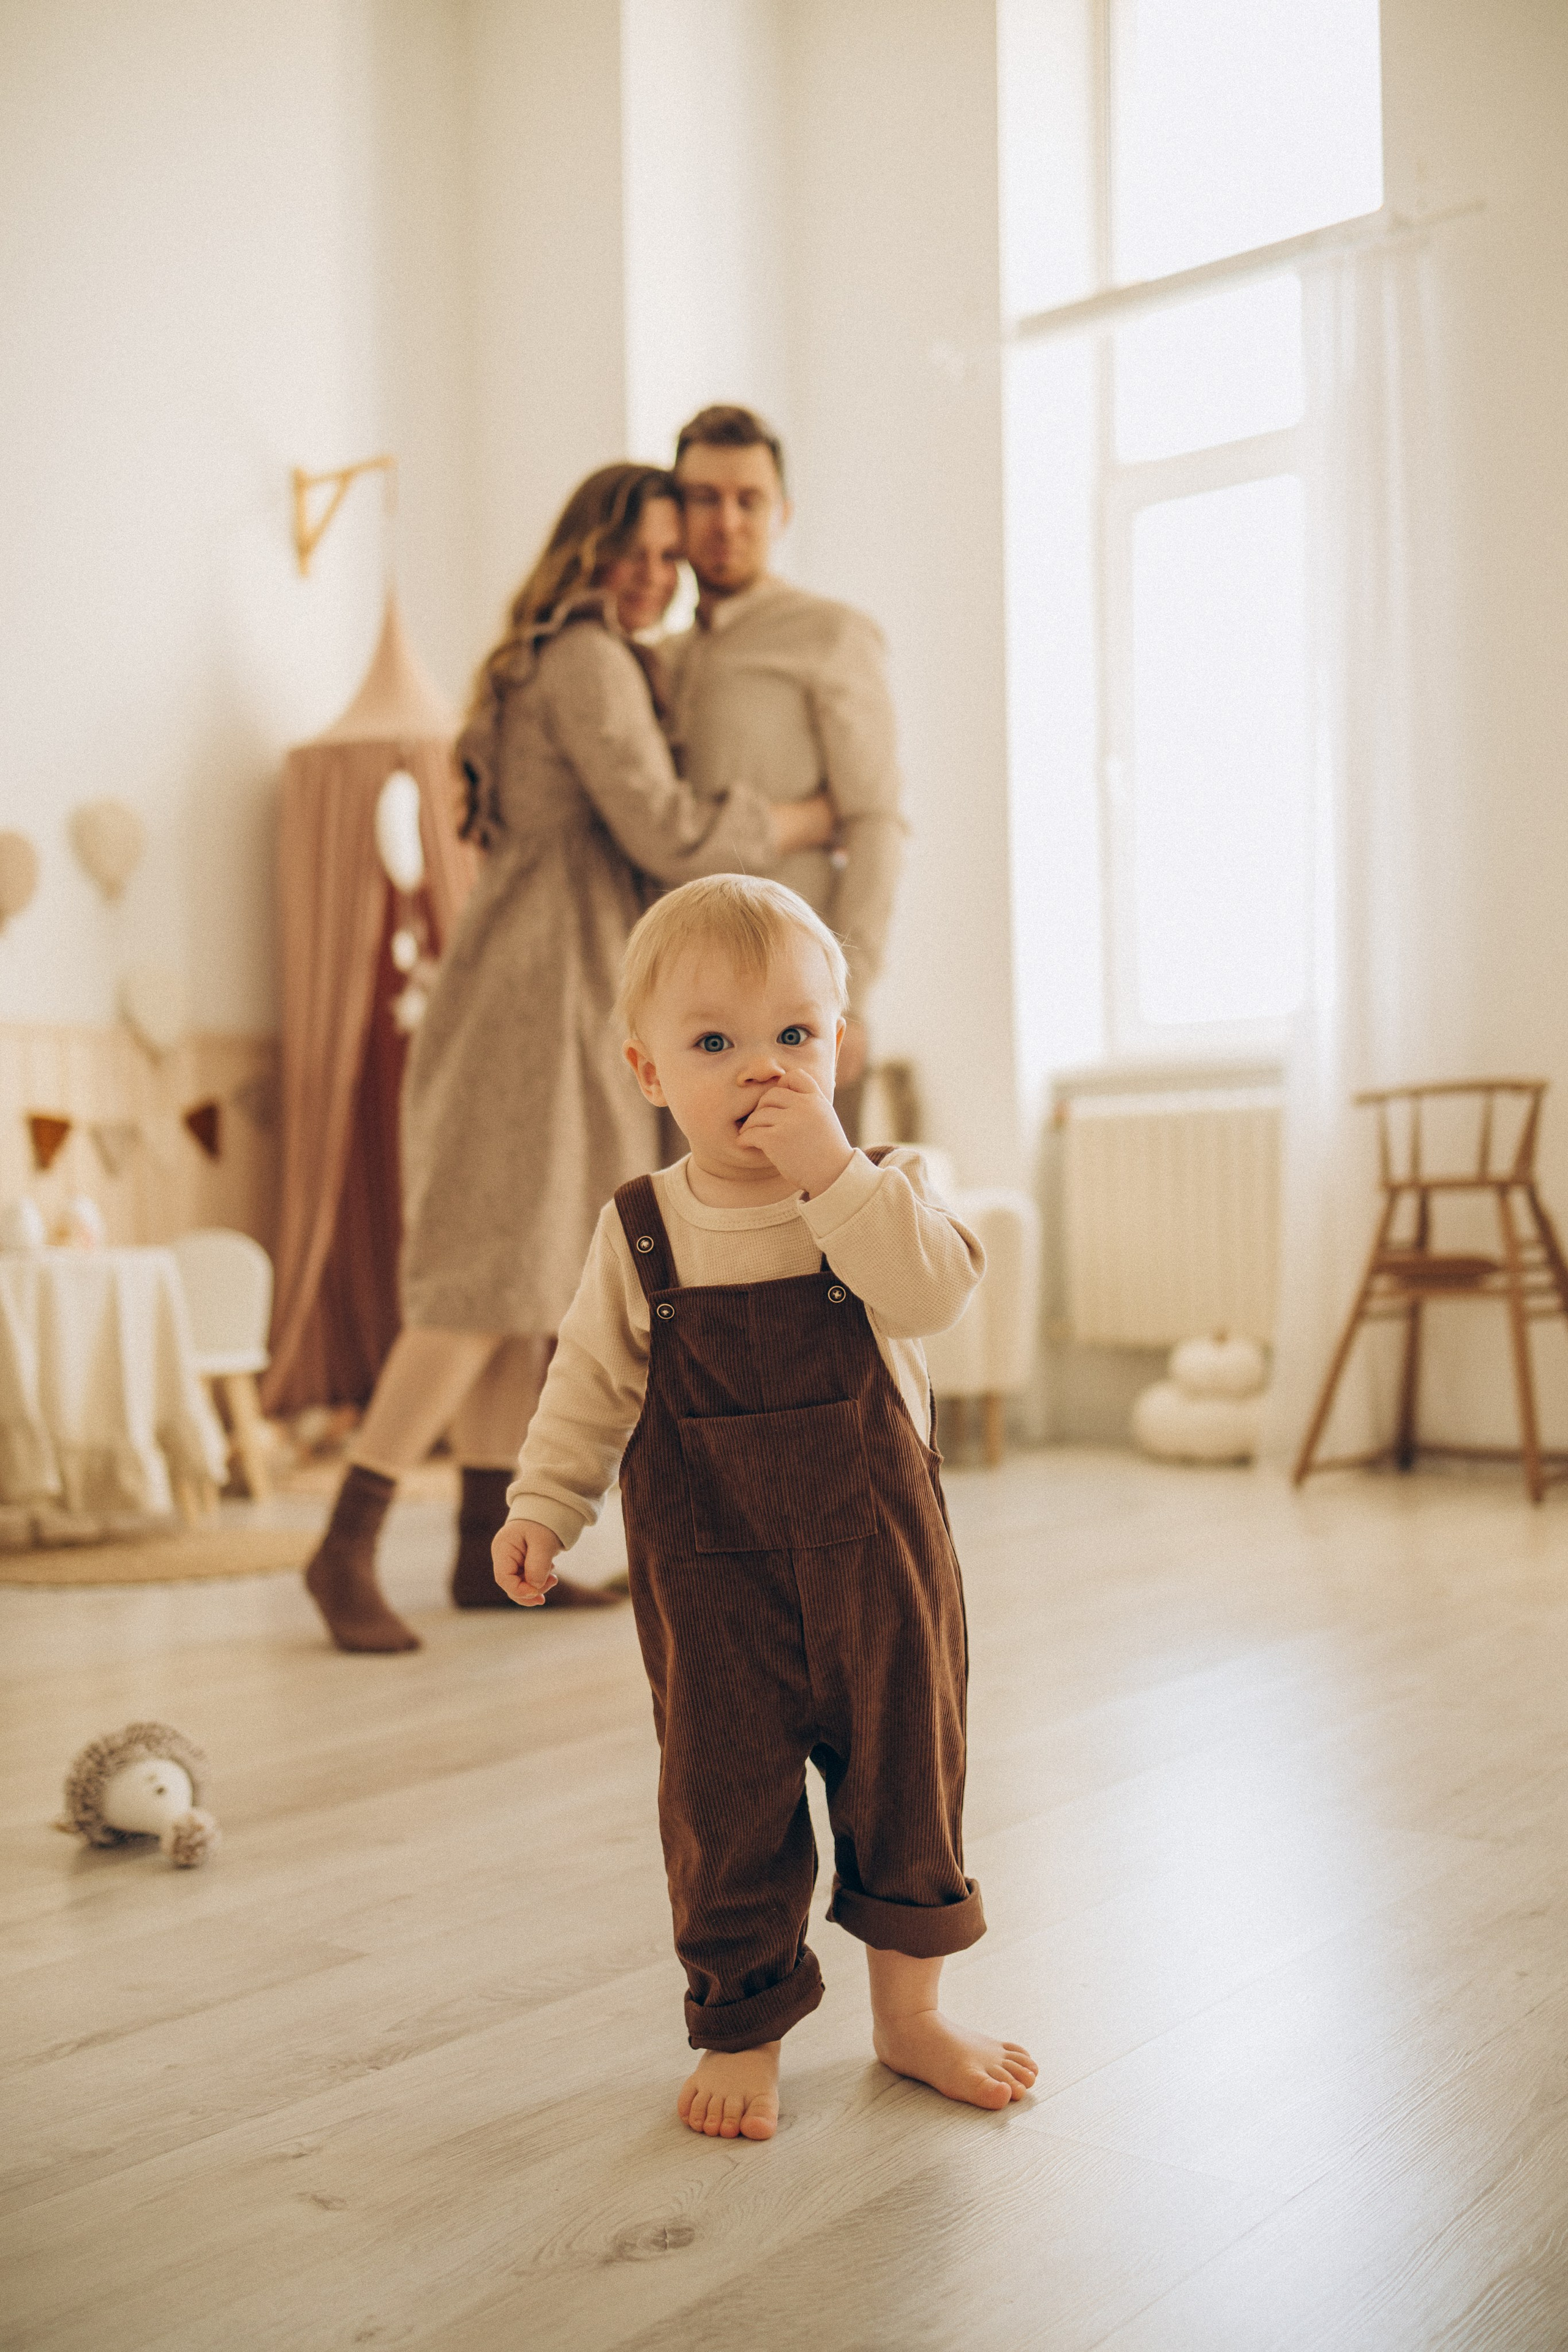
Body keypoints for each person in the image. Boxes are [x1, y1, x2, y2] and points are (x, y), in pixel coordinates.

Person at [492, 876, 1038, 2139]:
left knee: (907, 1782)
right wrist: (544, 1502)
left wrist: (826, 1171)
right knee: (720, 1803)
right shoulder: (641, 1231)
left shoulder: (883, 1186)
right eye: (714, 1043)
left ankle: (909, 2017)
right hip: (709, 1587)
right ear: (646, 1070)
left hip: (878, 1574)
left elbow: (931, 1293)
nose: (762, 1073)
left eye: (795, 1036)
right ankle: (742, 2024)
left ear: (840, 1046)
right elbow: (587, 1380)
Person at [303, 466, 837, 1655]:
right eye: (631, 550)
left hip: (566, 993)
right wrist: (798, 821)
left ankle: (482, 1543)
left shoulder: (602, 659)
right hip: (529, 1005)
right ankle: (344, 1538)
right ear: (586, 551)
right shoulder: (588, 656)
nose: (651, 573)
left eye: (667, 556)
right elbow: (661, 828)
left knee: (536, 1278)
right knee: (479, 1276)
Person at [662, 405, 907, 1139]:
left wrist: (851, 1001)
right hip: (686, 1009)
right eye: (703, 498)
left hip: (798, 1005)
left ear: (782, 513)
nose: (725, 521)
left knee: (821, 1236)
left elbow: (876, 822)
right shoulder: (657, 660)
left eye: (748, 500)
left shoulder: (831, 634)